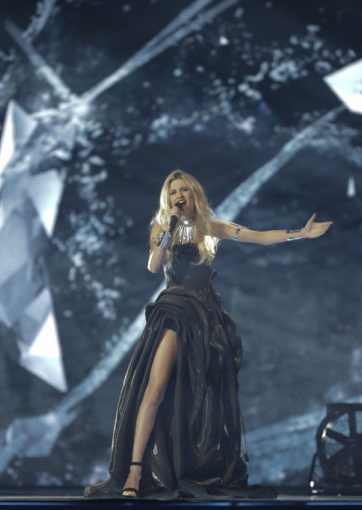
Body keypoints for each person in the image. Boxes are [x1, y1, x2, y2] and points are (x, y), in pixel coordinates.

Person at [85, 170, 332, 499]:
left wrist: (300, 233)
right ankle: (134, 470)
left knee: (201, 397)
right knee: (155, 390)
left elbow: (259, 237)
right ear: (168, 199)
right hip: (175, 310)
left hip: (205, 315)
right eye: (174, 192)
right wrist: (170, 228)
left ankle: (192, 467)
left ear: (194, 194)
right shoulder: (162, 229)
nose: (179, 196)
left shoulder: (212, 228)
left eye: (184, 190)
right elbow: (153, 266)